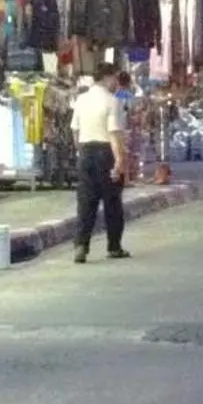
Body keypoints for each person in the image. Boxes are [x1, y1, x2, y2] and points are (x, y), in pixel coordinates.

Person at [71, 63, 129, 263]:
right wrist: (119, 160)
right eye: (114, 78)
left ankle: (81, 244)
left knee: (86, 202)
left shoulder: (81, 100)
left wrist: (81, 152)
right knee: (112, 202)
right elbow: (114, 134)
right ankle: (114, 246)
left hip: (86, 152)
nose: (116, 83)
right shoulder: (113, 102)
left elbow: (75, 131)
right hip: (106, 153)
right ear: (107, 77)